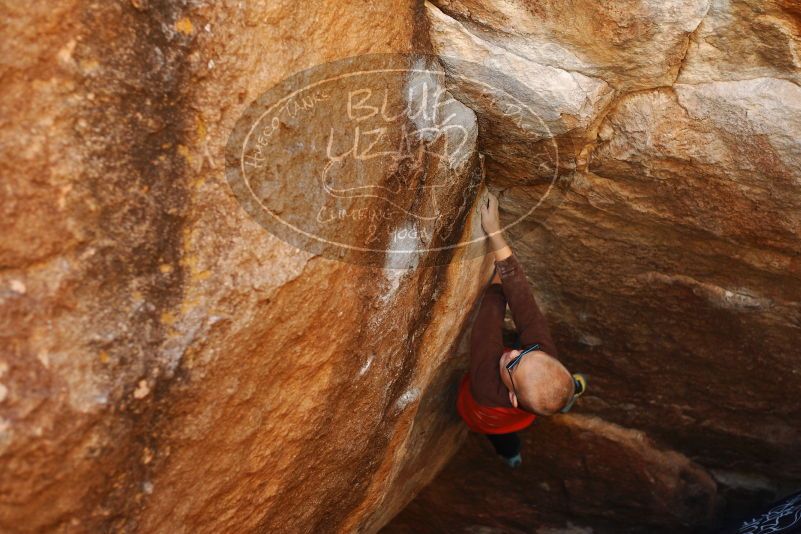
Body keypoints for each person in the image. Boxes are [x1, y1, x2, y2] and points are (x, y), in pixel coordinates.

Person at [456, 192, 587, 467]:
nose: (515, 350)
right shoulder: (540, 355)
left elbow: (487, 329)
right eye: (526, 352)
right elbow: (526, 307)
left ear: (513, 396)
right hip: (528, 404)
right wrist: (495, 233)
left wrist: (494, 288)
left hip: (487, 416)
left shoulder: (486, 384)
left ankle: (510, 455)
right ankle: (566, 392)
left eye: (514, 362)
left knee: (504, 437)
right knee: (547, 387)